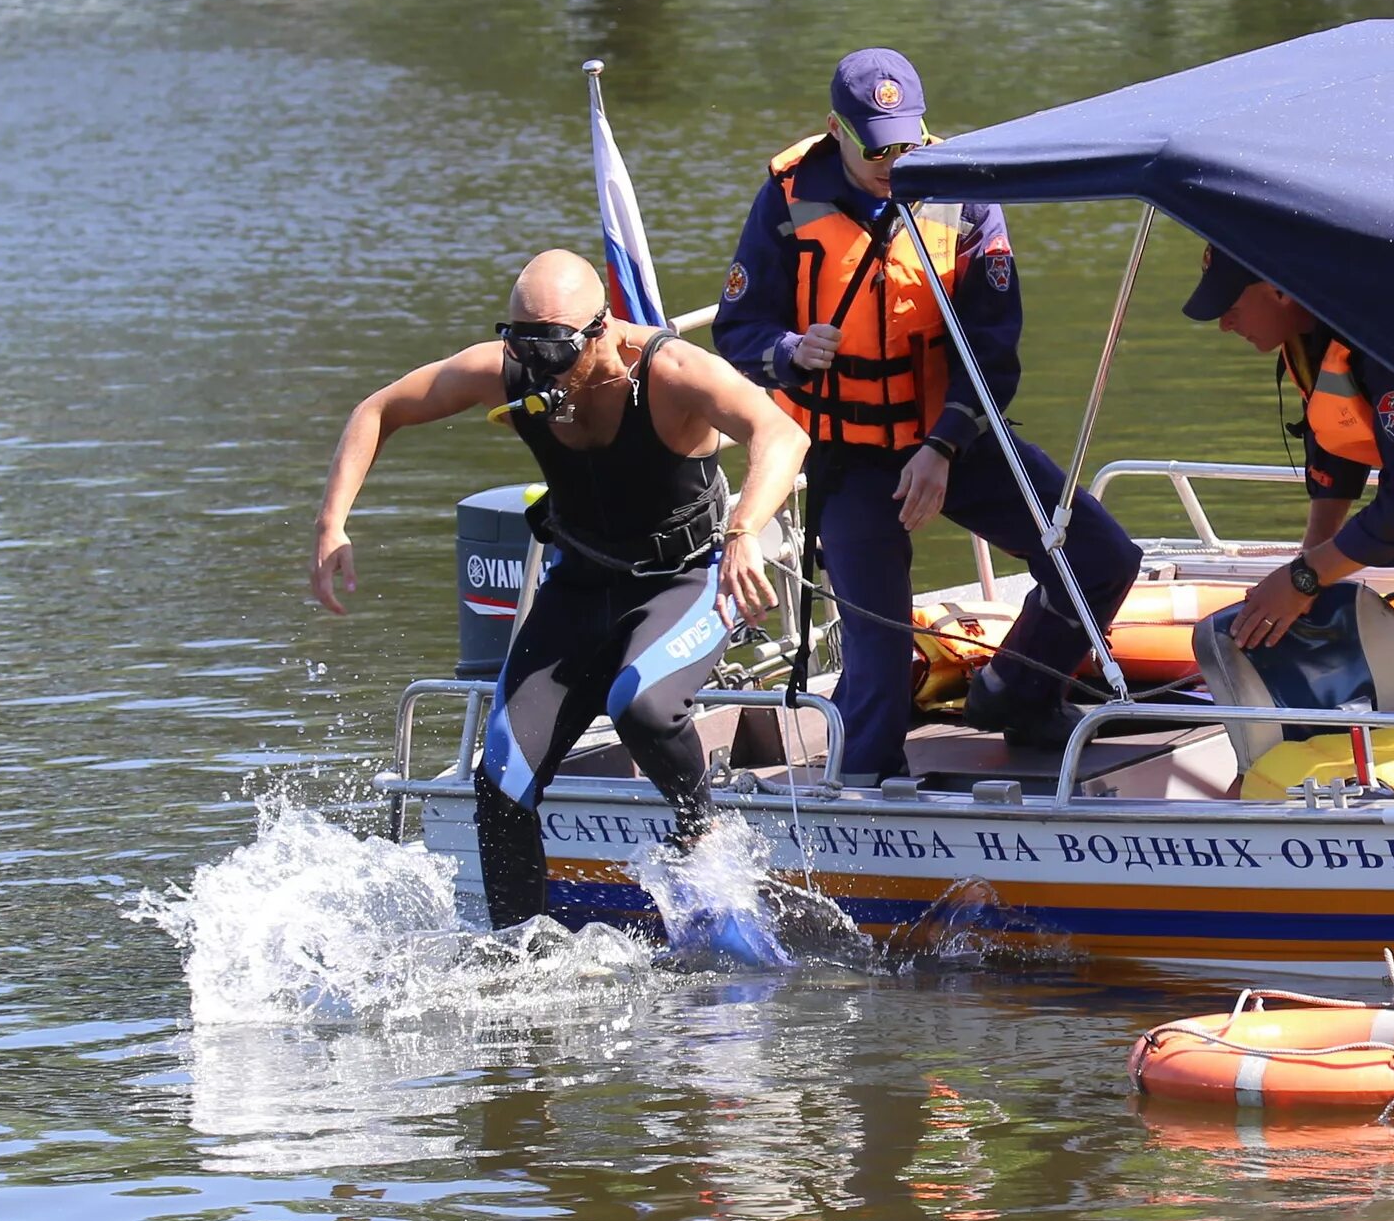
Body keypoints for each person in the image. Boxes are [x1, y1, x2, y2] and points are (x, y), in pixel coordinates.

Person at [308, 249, 808, 930]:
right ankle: (521, 956)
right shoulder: (509, 370)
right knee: (501, 780)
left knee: (640, 704)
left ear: (601, 331)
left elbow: (781, 431)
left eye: (558, 352)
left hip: (688, 577)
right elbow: (379, 410)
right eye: (525, 348)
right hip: (579, 585)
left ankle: (704, 838)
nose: (542, 373)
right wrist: (333, 522)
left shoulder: (669, 374)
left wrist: (745, 529)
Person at [714, 50, 1141, 783]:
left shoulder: (964, 195)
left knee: (1100, 558)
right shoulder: (786, 198)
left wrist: (943, 447)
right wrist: (790, 351)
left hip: (959, 437)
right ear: (834, 130)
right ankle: (862, 807)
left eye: (905, 143)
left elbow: (994, 348)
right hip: (850, 458)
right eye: (875, 145)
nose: (893, 160)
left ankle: (1016, 695)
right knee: (878, 664)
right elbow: (738, 328)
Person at [1181, 246, 1394, 706]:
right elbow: (1338, 438)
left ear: (1279, 290)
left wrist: (1306, 578)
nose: (1224, 323)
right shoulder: (1312, 330)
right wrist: (1309, 562)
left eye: (1232, 307)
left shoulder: (1387, 337)